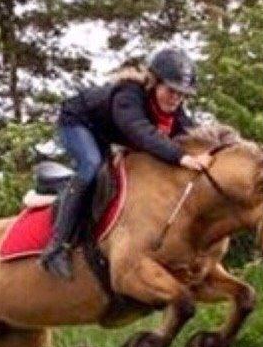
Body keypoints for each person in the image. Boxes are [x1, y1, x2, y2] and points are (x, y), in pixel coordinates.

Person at [39, 47, 213, 280]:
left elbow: (191, 135)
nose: (176, 99)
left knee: (105, 175)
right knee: (91, 166)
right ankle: (56, 248)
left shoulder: (174, 109)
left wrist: (213, 152)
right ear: (154, 82)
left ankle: (69, 189)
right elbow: (139, 132)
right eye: (171, 91)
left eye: (181, 94)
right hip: (77, 122)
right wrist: (182, 157)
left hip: (103, 132)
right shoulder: (128, 95)